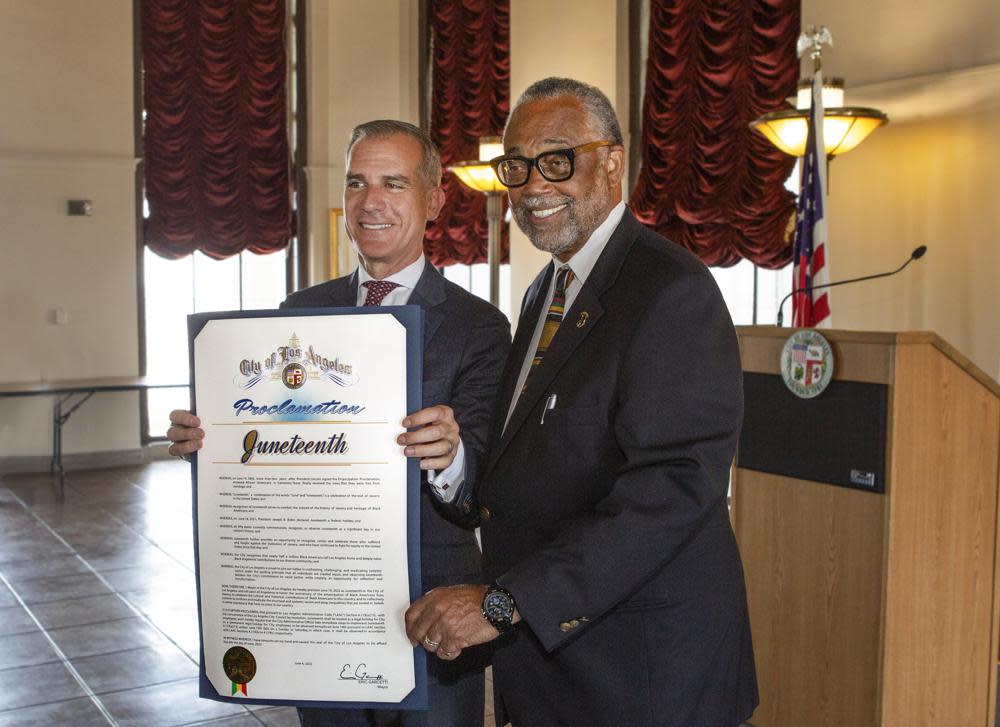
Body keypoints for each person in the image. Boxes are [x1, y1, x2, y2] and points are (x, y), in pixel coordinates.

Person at [404, 78, 758, 726]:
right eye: (517, 166)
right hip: (559, 667)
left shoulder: (670, 290)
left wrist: (500, 603)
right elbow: (536, 459)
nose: (533, 186)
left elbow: (671, 492)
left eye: (558, 160)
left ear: (614, 163)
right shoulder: (547, 290)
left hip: (644, 675)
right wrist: (455, 460)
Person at [167, 119, 511, 727]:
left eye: (393, 184)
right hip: (318, 612)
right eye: (357, 183)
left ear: (432, 201)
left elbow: (480, 486)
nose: (371, 201)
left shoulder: (478, 327)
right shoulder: (298, 313)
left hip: (430, 615)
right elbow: (270, 453)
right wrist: (210, 442)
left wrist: (449, 455)